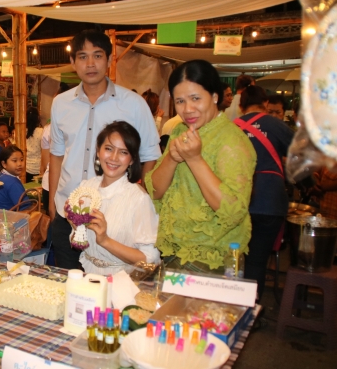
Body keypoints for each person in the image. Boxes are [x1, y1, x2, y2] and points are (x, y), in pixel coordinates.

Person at [49, 29, 161, 269]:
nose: (90, 64)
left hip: (114, 221)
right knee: (69, 283)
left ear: (109, 60)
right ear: (73, 62)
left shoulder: (134, 105)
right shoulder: (60, 103)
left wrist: (139, 201)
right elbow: (56, 155)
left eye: (98, 56)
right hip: (67, 213)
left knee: (109, 279)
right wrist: (52, 204)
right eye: (83, 56)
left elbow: (150, 156)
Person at [145, 60, 256, 272]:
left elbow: (233, 212)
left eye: (196, 98)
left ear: (214, 96)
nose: (188, 109)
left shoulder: (232, 141)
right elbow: (154, 191)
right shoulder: (180, 131)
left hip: (212, 260)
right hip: (174, 253)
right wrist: (172, 159)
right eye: (180, 101)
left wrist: (195, 159)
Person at [75, 121, 160, 275]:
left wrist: (105, 240)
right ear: (98, 151)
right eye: (108, 149)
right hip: (87, 275)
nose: (114, 158)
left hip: (123, 279)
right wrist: (75, 225)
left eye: (123, 152)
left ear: (132, 159)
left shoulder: (138, 199)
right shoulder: (86, 188)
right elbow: (79, 243)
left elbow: (150, 259)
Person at [236, 85, 294, 300]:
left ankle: (233, 304)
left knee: (234, 257)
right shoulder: (276, 125)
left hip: (237, 201)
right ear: (266, 103)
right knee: (257, 261)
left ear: (241, 106)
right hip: (270, 201)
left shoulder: (231, 128)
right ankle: (251, 306)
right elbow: (301, 154)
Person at [0, 145, 29, 210]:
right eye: (14, 161)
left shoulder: (2, 175)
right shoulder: (12, 182)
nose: (19, 164)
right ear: (4, 164)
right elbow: (25, 206)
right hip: (8, 216)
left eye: (21, 160)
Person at [25, 107, 43, 183]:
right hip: (38, 168)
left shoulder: (21, 131)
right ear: (37, 118)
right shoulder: (41, 131)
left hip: (25, 167)